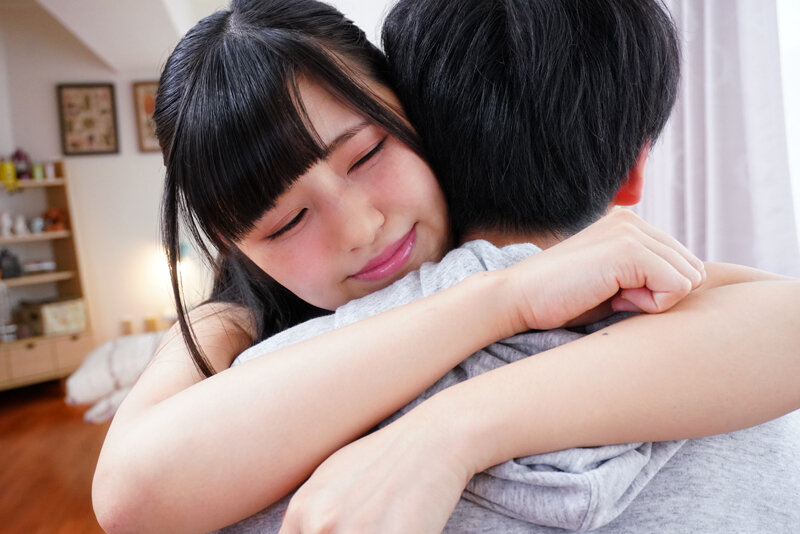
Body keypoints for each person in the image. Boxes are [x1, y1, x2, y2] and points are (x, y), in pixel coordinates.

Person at [91, 1, 800, 533]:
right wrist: (504, 298)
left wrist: (451, 430)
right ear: (238, 249)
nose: (360, 227)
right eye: (286, 223)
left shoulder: (610, 286)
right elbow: (129, 493)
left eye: (368, 154)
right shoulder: (232, 355)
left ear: (417, 112)